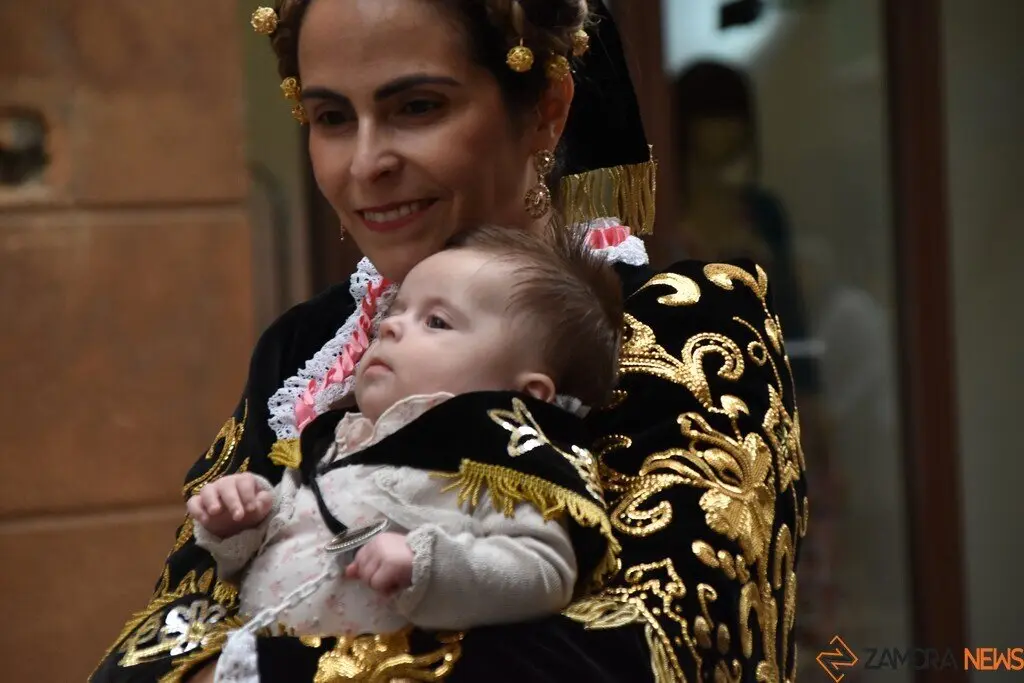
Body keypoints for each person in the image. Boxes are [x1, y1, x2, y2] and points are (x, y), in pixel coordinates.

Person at [91, 2, 808, 682]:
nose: (365, 164)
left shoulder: (687, 327)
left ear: (547, 109)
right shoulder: (306, 348)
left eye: (417, 107)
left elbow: (663, 649)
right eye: (332, 117)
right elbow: (173, 621)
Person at [186, 225, 622, 650]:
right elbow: (287, 532)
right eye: (391, 316)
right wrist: (246, 519)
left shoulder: (500, 462)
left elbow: (545, 571)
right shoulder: (338, 439)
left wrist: (426, 565)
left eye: (436, 321)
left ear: (525, 396)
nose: (391, 328)